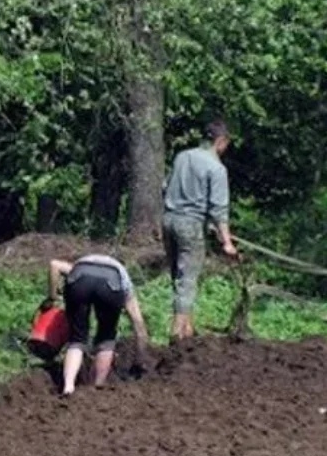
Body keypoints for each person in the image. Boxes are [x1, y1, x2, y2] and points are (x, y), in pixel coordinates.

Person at [162, 119, 238, 341]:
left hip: (168, 220)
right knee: (188, 278)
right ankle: (177, 334)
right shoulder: (216, 168)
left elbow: (165, 187)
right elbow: (219, 209)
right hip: (191, 225)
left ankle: (187, 329)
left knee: (177, 275)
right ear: (221, 141)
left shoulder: (182, 157)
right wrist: (227, 242)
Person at [45, 255, 150, 396]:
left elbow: (54, 264)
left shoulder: (80, 265)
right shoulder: (123, 279)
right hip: (110, 286)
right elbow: (139, 326)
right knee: (106, 336)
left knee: (77, 338)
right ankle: (97, 387)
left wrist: (52, 298)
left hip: (80, 279)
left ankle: (68, 386)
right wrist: (140, 360)